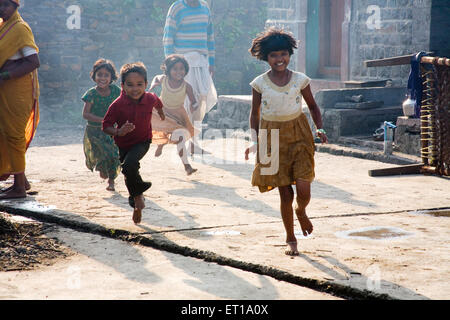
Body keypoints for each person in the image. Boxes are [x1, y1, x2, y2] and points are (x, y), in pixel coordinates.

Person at [245, 28, 328, 256]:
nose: (279, 59)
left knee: (303, 188)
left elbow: (312, 106)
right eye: (273, 55)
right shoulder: (259, 83)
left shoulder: (300, 80)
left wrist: (319, 128)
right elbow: (255, 113)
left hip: (299, 133)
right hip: (272, 136)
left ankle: (301, 211)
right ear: (266, 58)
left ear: (289, 54)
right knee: (284, 193)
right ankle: (291, 238)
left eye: (283, 54)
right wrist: (255, 140)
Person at [102, 62, 165, 224]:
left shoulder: (150, 98)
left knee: (129, 165)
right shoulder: (117, 105)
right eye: (130, 85)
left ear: (145, 84)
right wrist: (118, 131)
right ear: (122, 86)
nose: (135, 89)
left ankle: (137, 197)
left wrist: (161, 113)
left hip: (143, 141)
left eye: (139, 84)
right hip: (123, 143)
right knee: (129, 171)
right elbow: (106, 126)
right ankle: (137, 201)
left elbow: (158, 102)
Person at [162, 0, 217, 155]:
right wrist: (171, 65)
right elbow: (168, 38)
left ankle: (194, 143)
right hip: (183, 64)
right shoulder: (177, 8)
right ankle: (184, 142)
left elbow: (210, 37)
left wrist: (211, 62)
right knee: (185, 103)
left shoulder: (205, 7)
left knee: (201, 103)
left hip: (201, 62)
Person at [0, 0, 40, 199]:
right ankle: (21, 181)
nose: (1, 9)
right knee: (6, 134)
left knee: (15, 136)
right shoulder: (4, 27)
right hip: (6, 92)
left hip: (18, 92)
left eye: (5, 5)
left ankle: (19, 189)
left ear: (16, 6)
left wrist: (5, 76)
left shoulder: (20, 28)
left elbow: (33, 61)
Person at [149, 54, 198, 175]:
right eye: (175, 69)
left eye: (181, 68)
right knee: (162, 130)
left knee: (181, 138)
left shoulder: (187, 86)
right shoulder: (163, 79)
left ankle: (187, 166)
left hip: (178, 115)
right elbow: (156, 79)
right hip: (162, 112)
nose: (178, 71)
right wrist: (152, 87)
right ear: (168, 70)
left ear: (186, 70)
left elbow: (194, 101)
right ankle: (161, 143)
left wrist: (193, 106)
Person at [82, 59, 121, 191]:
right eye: (99, 74)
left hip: (111, 131)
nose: (102, 78)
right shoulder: (91, 94)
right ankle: (103, 170)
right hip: (94, 132)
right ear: (94, 75)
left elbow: (123, 106)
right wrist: (103, 120)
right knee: (100, 155)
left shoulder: (117, 91)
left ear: (111, 77)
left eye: (106, 75)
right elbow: (86, 114)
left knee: (113, 155)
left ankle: (111, 181)